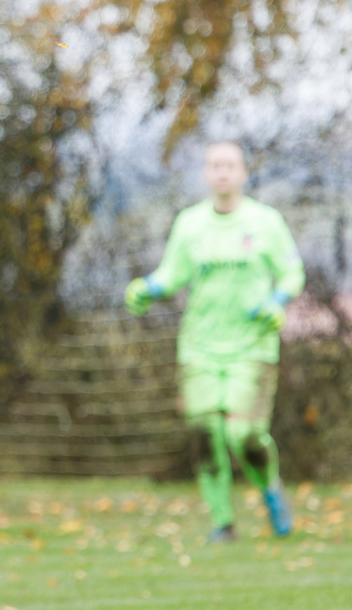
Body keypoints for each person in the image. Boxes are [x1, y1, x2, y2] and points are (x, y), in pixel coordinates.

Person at [124, 141, 305, 542]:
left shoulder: (266, 221)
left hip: (252, 346)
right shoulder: (190, 223)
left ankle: (270, 487)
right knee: (207, 435)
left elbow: (293, 273)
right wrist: (148, 288)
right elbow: (173, 273)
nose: (223, 172)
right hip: (200, 347)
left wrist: (278, 301)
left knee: (243, 435)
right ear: (206, 174)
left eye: (230, 165)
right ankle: (223, 523)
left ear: (243, 173)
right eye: (215, 166)